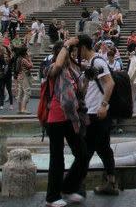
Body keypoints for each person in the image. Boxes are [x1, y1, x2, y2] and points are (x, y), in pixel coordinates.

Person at [70, 35, 119, 196]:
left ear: (83, 47)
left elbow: (110, 82)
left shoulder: (98, 62)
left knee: (85, 150)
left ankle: (78, 186)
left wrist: (104, 105)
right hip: (93, 111)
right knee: (104, 149)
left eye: (77, 49)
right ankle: (111, 183)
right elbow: (89, 87)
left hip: (97, 112)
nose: (77, 52)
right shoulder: (91, 63)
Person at [44, 38, 89, 207]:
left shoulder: (73, 71)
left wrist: (87, 79)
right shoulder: (51, 67)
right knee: (57, 158)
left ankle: (69, 188)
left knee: (82, 154)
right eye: (70, 51)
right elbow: (56, 67)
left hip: (72, 117)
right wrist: (66, 44)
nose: (73, 54)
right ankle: (52, 197)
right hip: (55, 118)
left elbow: (80, 94)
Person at [14, 47, 33, 114]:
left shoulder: (18, 59)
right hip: (24, 76)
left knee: (21, 92)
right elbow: (30, 66)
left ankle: (19, 109)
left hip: (20, 75)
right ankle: (23, 109)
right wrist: (29, 59)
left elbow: (16, 69)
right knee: (27, 91)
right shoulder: (24, 60)